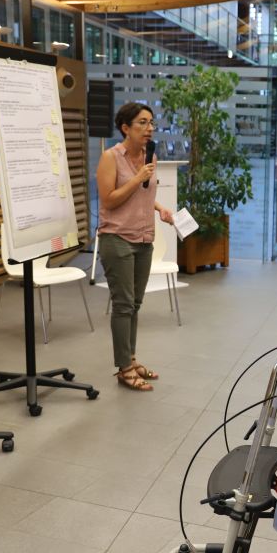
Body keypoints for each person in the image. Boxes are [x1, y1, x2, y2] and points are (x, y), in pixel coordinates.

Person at [96, 102, 174, 392]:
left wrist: (159, 207)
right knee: (124, 304)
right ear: (125, 127)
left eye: (151, 122)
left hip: (144, 239)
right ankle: (124, 368)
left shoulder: (148, 155)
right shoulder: (110, 158)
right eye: (142, 122)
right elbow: (110, 199)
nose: (149, 128)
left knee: (135, 305)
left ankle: (130, 357)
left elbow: (142, 194)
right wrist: (139, 178)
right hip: (117, 239)